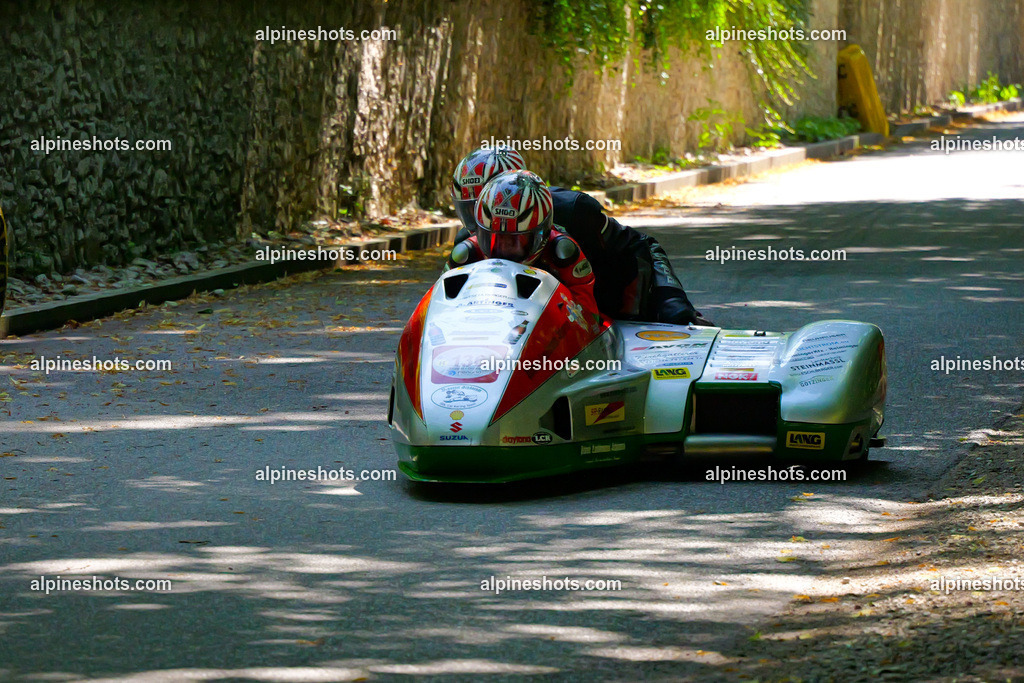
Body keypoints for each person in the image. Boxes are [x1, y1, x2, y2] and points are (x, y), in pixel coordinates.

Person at [447, 147, 711, 325]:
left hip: (607, 294)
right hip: (550, 313)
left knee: (676, 316)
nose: (483, 220)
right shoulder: (468, 242)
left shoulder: (574, 210)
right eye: (469, 210)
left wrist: (670, 301)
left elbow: (639, 246)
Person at [447, 169, 600, 323]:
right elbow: (440, 304)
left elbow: (588, 317)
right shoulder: (466, 253)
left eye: (515, 240)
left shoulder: (563, 253)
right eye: (496, 238)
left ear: (541, 233)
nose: (504, 247)